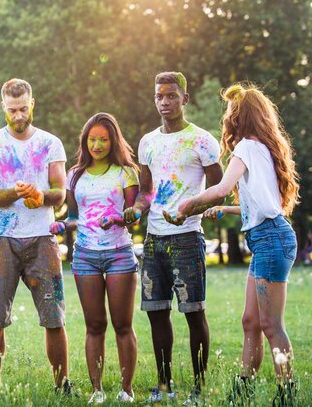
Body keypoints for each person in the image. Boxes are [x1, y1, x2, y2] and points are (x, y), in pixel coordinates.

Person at [176, 83, 300, 405]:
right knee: (251, 321)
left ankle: (287, 394)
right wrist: (227, 209)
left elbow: (220, 188)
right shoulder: (261, 147)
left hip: (272, 239)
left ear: (239, 115)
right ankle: (242, 391)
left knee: (271, 325)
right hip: (267, 238)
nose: (227, 117)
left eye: (230, 111)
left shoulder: (246, 147)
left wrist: (190, 204)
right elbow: (257, 203)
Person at [123, 71, 223, 404]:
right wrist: (136, 210)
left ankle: (198, 386)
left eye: (171, 96)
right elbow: (147, 192)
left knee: (193, 312)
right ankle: (164, 385)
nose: (165, 102)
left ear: (184, 98)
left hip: (187, 238)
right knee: (156, 312)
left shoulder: (202, 141)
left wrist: (190, 208)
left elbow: (219, 192)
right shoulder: (148, 142)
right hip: (154, 240)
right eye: (159, 97)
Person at [0, 78, 72, 398]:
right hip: (1, 239)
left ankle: (62, 385)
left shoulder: (50, 143)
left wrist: (39, 195)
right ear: (4, 107)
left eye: (23, 108)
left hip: (43, 238)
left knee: (54, 317)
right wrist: (15, 192)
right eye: (12, 110)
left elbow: (60, 194)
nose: (18, 115)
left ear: (33, 103)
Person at [49, 112, 139, 404]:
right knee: (94, 325)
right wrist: (62, 225)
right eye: (92, 139)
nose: (97, 145)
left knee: (122, 325)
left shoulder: (126, 172)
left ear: (113, 141)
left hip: (118, 255)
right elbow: (75, 217)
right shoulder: (75, 175)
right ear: (85, 141)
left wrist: (119, 218)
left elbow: (134, 214)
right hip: (85, 256)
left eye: (103, 139)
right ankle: (97, 390)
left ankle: (126, 390)